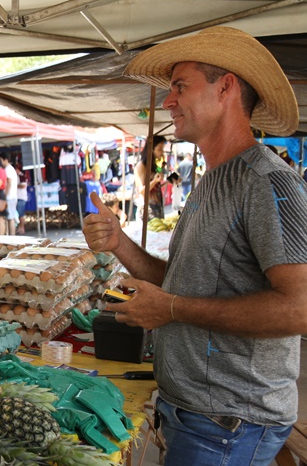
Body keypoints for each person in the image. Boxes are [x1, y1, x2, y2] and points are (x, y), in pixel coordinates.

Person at [84, 26, 307, 466]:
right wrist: (119, 243)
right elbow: (187, 284)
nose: (168, 101)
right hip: (204, 415)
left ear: (226, 87)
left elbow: (300, 307)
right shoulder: (213, 181)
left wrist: (170, 311)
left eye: (180, 86)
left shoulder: (265, 181)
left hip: (229, 422)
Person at [133, 134, 167, 220]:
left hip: (157, 208)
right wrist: (155, 181)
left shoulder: (153, 166)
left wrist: (168, 181)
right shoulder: (141, 166)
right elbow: (142, 191)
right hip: (147, 210)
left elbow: (154, 188)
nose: (162, 152)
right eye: (159, 149)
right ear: (151, 149)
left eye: (162, 149)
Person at [3, 156, 19, 235]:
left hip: (9, 197)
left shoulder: (8, 169)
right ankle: (12, 236)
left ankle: (11, 236)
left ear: (6, 160)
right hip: (13, 196)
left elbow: (9, 183)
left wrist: (5, 195)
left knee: (10, 218)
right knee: (11, 217)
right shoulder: (12, 169)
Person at [14, 161, 27, 234]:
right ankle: (20, 228)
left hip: (21, 197)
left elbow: (23, 186)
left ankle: (22, 228)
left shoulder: (22, 176)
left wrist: (14, 186)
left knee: (21, 214)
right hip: (17, 197)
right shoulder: (17, 176)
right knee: (18, 214)